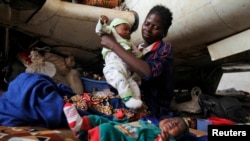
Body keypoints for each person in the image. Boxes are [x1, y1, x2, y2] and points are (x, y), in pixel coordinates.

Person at [99, 5, 174, 119]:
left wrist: (113, 45)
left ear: (164, 32)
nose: (148, 29)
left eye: (156, 27)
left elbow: (147, 72)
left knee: (90, 105)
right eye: (147, 23)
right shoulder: (138, 48)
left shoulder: (165, 49)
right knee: (88, 101)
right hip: (131, 96)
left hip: (152, 106)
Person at [63, 102, 189, 141]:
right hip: (121, 128)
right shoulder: (146, 123)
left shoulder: (167, 138)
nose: (174, 122)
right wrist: (120, 119)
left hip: (123, 138)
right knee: (100, 120)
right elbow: (126, 125)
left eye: (179, 126)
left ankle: (86, 137)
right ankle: (79, 126)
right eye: (173, 119)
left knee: (107, 130)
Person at [96, 15, 143, 109]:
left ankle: (136, 100)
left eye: (129, 30)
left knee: (132, 83)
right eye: (125, 29)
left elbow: (137, 54)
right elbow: (99, 30)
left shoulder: (129, 42)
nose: (128, 31)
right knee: (120, 80)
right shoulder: (112, 32)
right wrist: (101, 22)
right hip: (114, 66)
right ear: (114, 27)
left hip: (126, 70)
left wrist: (140, 54)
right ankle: (127, 99)